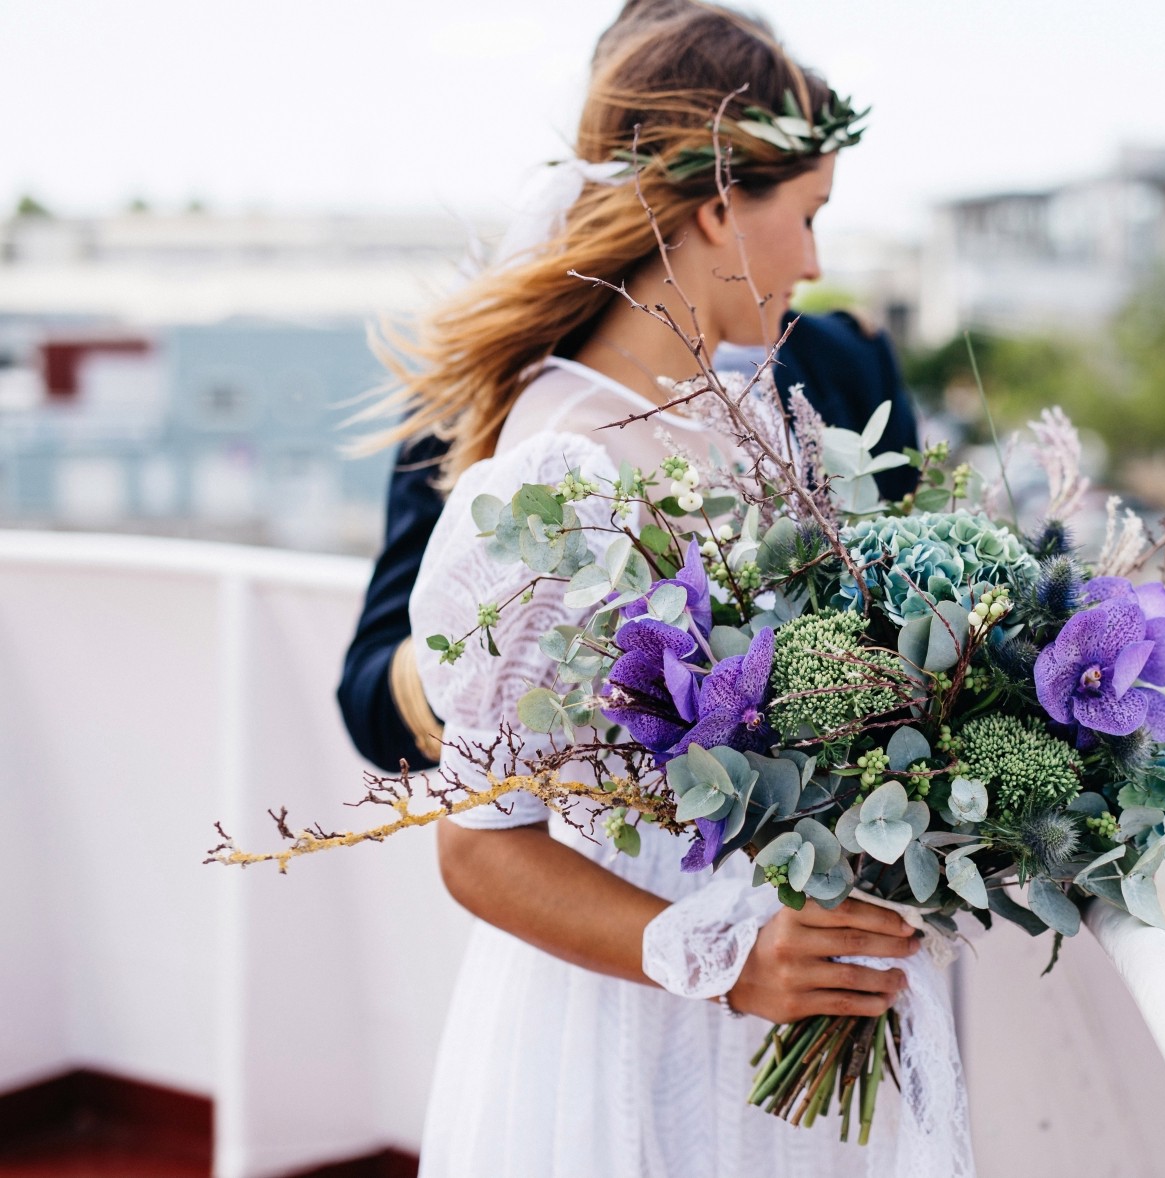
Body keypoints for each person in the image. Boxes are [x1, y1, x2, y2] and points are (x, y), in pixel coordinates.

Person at [367, 4, 971, 1174]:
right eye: (807, 215)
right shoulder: (559, 476)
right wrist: (726, 957)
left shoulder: (759, 425)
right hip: (636, 1031)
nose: (815, 261)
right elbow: (480, 847)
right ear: (713, 211)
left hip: (790, 1016)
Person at [336, 0, 917, 776]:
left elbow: (906, 602)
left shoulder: (848, 363)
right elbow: (379, 702)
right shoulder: (499, 401)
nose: (811, 261)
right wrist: (518, 626)